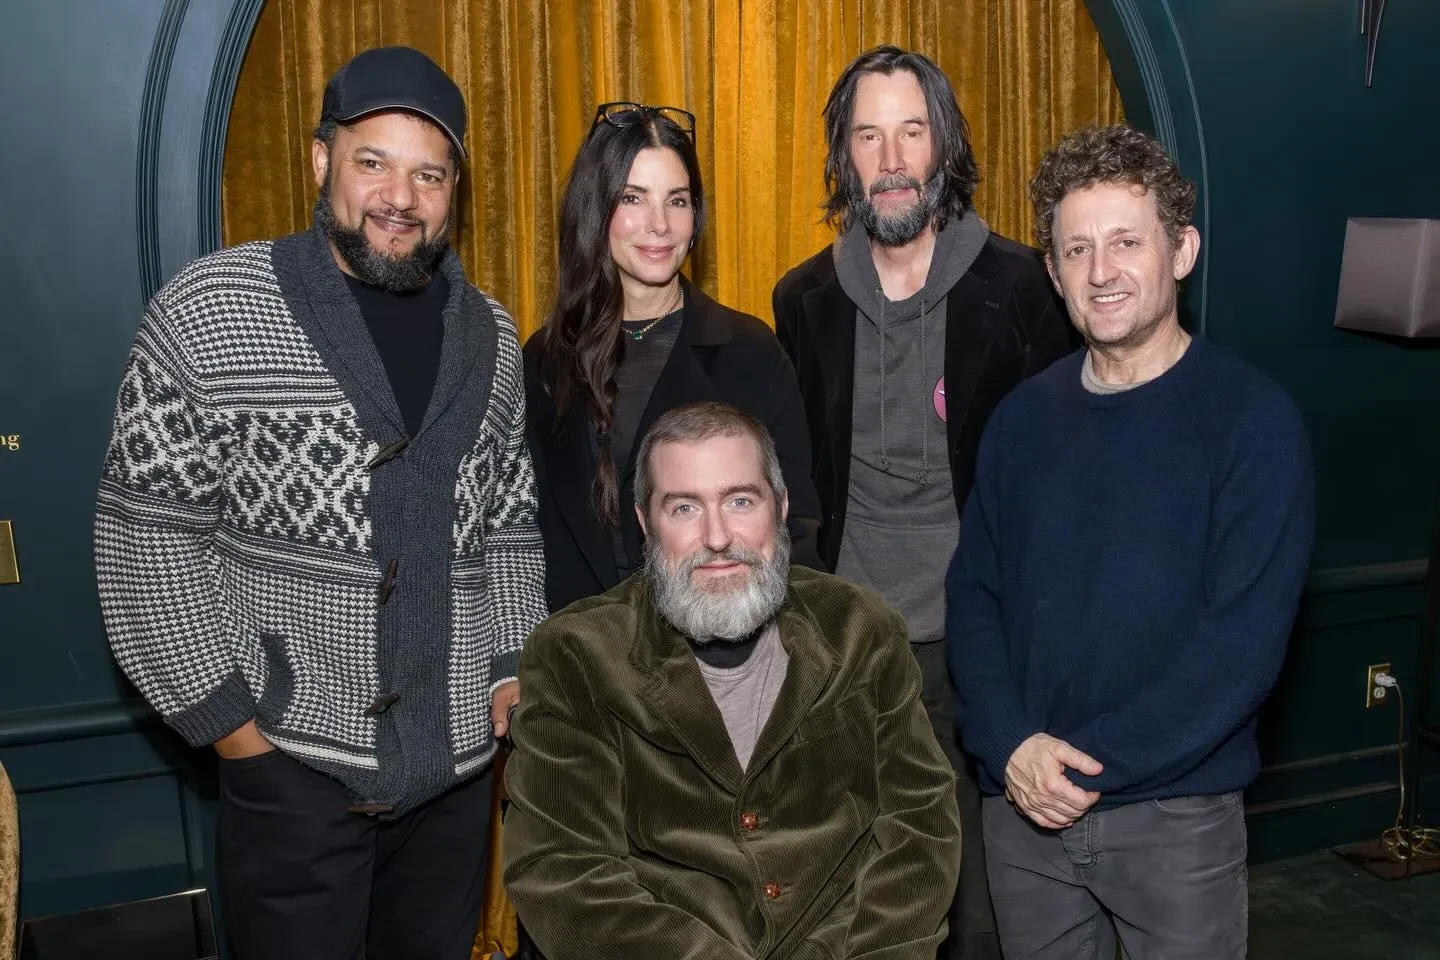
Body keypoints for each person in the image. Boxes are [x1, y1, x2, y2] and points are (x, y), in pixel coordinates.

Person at [93, 45, 547, 960]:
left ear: (454, 190)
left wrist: (511, 664)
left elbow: (509, 520)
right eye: (373, 162)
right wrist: (233, 730)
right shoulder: (209, 310)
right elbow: (144, 541)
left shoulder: (492, 336)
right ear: (320, 159)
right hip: (293, 772)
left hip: (457, 778)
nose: (400, 198)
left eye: (429, 175)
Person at [948, 124, 1314, 959]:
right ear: (1053, 273)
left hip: (1174, 821)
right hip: (1023, 814)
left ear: (1181, 251)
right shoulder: (1018, 421)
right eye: (1076, 250)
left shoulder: (1253, 424)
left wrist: (1083, 765)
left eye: (1125, 242)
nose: (1100, 271)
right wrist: (1011, 747)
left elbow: (1240, 650)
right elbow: (973, 599)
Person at [772, 45, 1074, 959]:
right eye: (869, 136)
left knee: (979, 911)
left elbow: (1055, 483)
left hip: (978, 642)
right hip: (846, 645)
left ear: (946, 143)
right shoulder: (803, 299)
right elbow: (799, 480)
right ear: (844, 156)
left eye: (912, 131)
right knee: (856, 898)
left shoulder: (1024, 288)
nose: (893, 158)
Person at [503, 401, 961, 959]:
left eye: (740, 501)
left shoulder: (861, 631)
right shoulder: (576, 656)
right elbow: (563, 870)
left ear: (781, 507)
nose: (717, 537)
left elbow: (919, 826)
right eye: (684, 508)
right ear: (646, 523)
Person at [525, 102, 824, 615]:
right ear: (596, 210)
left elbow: (796, 531)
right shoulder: (544, 359)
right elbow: (524, 532)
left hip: (713, 645)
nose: (659, 224)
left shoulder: (751, 352)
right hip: (577, 647)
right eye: (633, 198)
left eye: (677, 200)